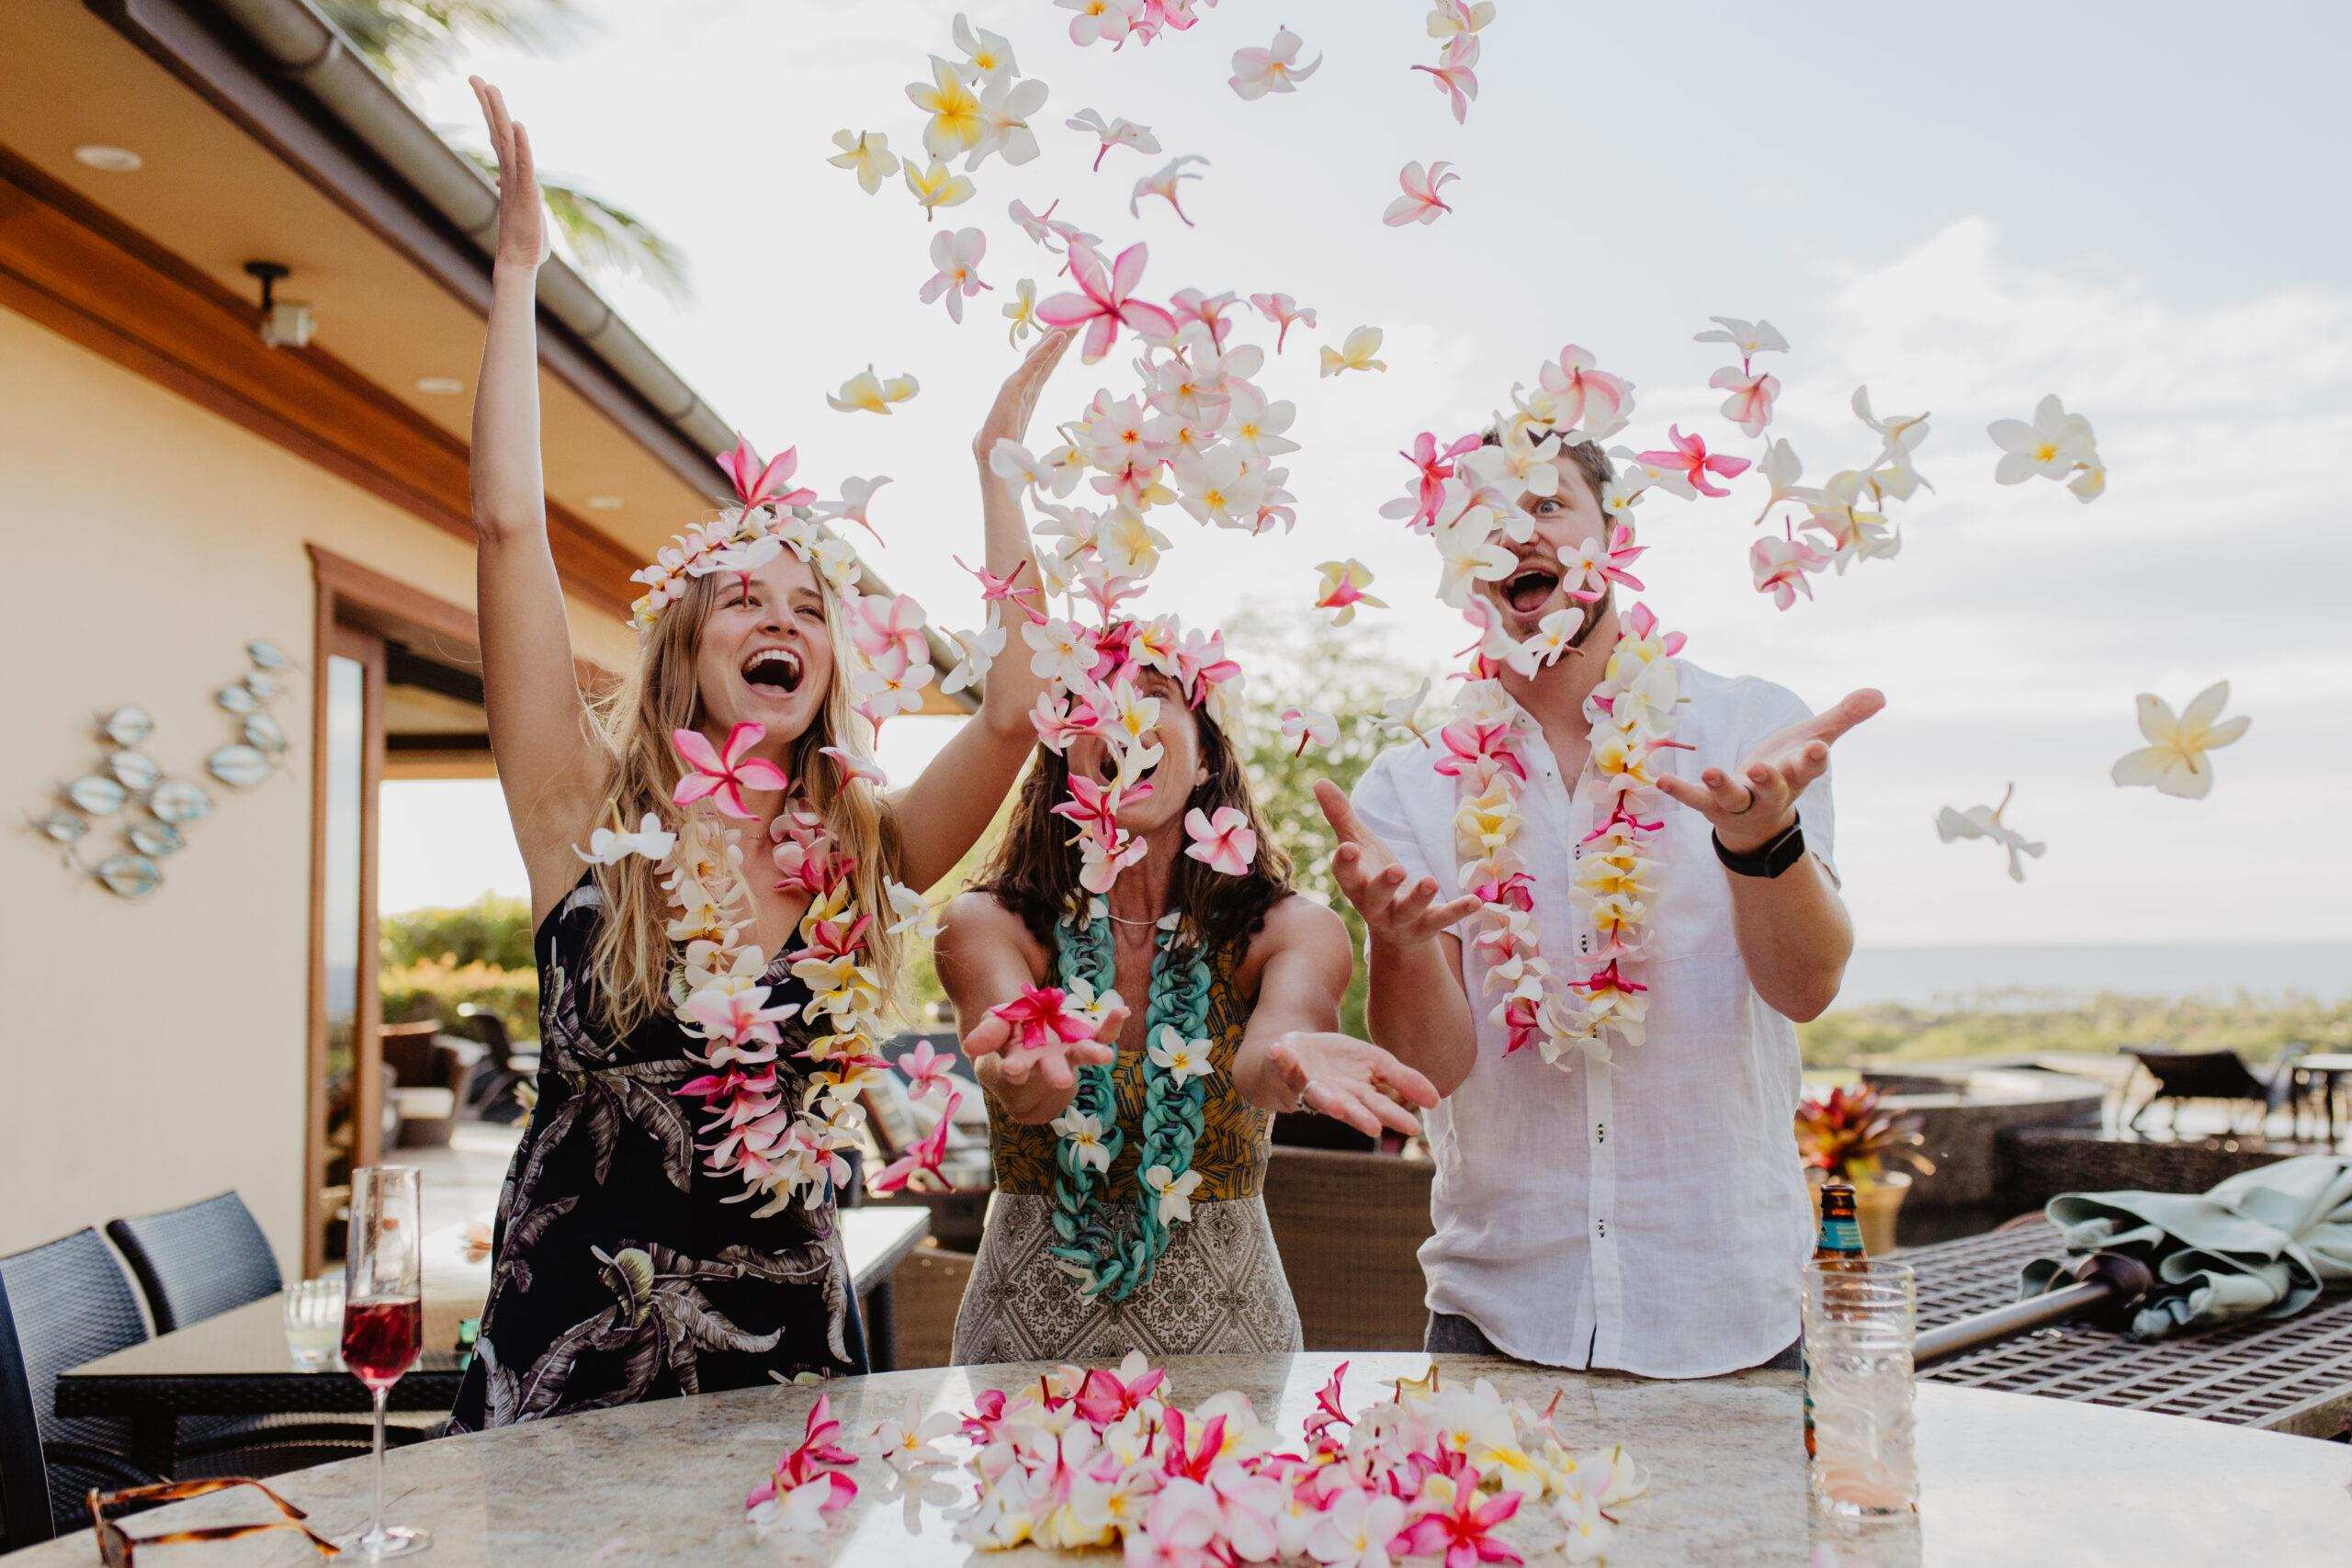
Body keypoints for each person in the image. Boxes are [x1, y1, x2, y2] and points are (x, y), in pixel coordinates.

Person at [447, 79, 1068, 1427]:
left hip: (783, 1343)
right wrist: (513, 279)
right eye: (746, 598)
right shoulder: (577, 815)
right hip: (568, 1342)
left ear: (829, 663)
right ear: (687, 644)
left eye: (809, 609)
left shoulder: (862, 842)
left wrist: (998, 469)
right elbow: (507, 530)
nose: (782, 619)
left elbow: (1019, 708)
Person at [1321, 426, 1884, 1377]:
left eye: (1545, 505)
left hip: (1730, 1310)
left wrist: (1760, 844)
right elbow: (1430, 1068)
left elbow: (1806, 987)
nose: (1516, 531)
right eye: (1481, 517)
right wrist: (1400, 943)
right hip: (1497, 1313)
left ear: (1611, 532)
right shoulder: (1408, 785)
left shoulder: (1746, 729)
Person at [938, 652, 1437, 1364]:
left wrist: (1293, 1061)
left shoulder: (1291, 928)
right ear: (1061, 759)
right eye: (1093, 696)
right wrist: (1025, 1080)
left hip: (1230, 1350)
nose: (1122, 713)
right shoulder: (984, 922)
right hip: (1025, 1351)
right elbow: (1021, 1073)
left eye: (1151, 694)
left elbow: (1268, 1059)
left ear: (1205, 759)